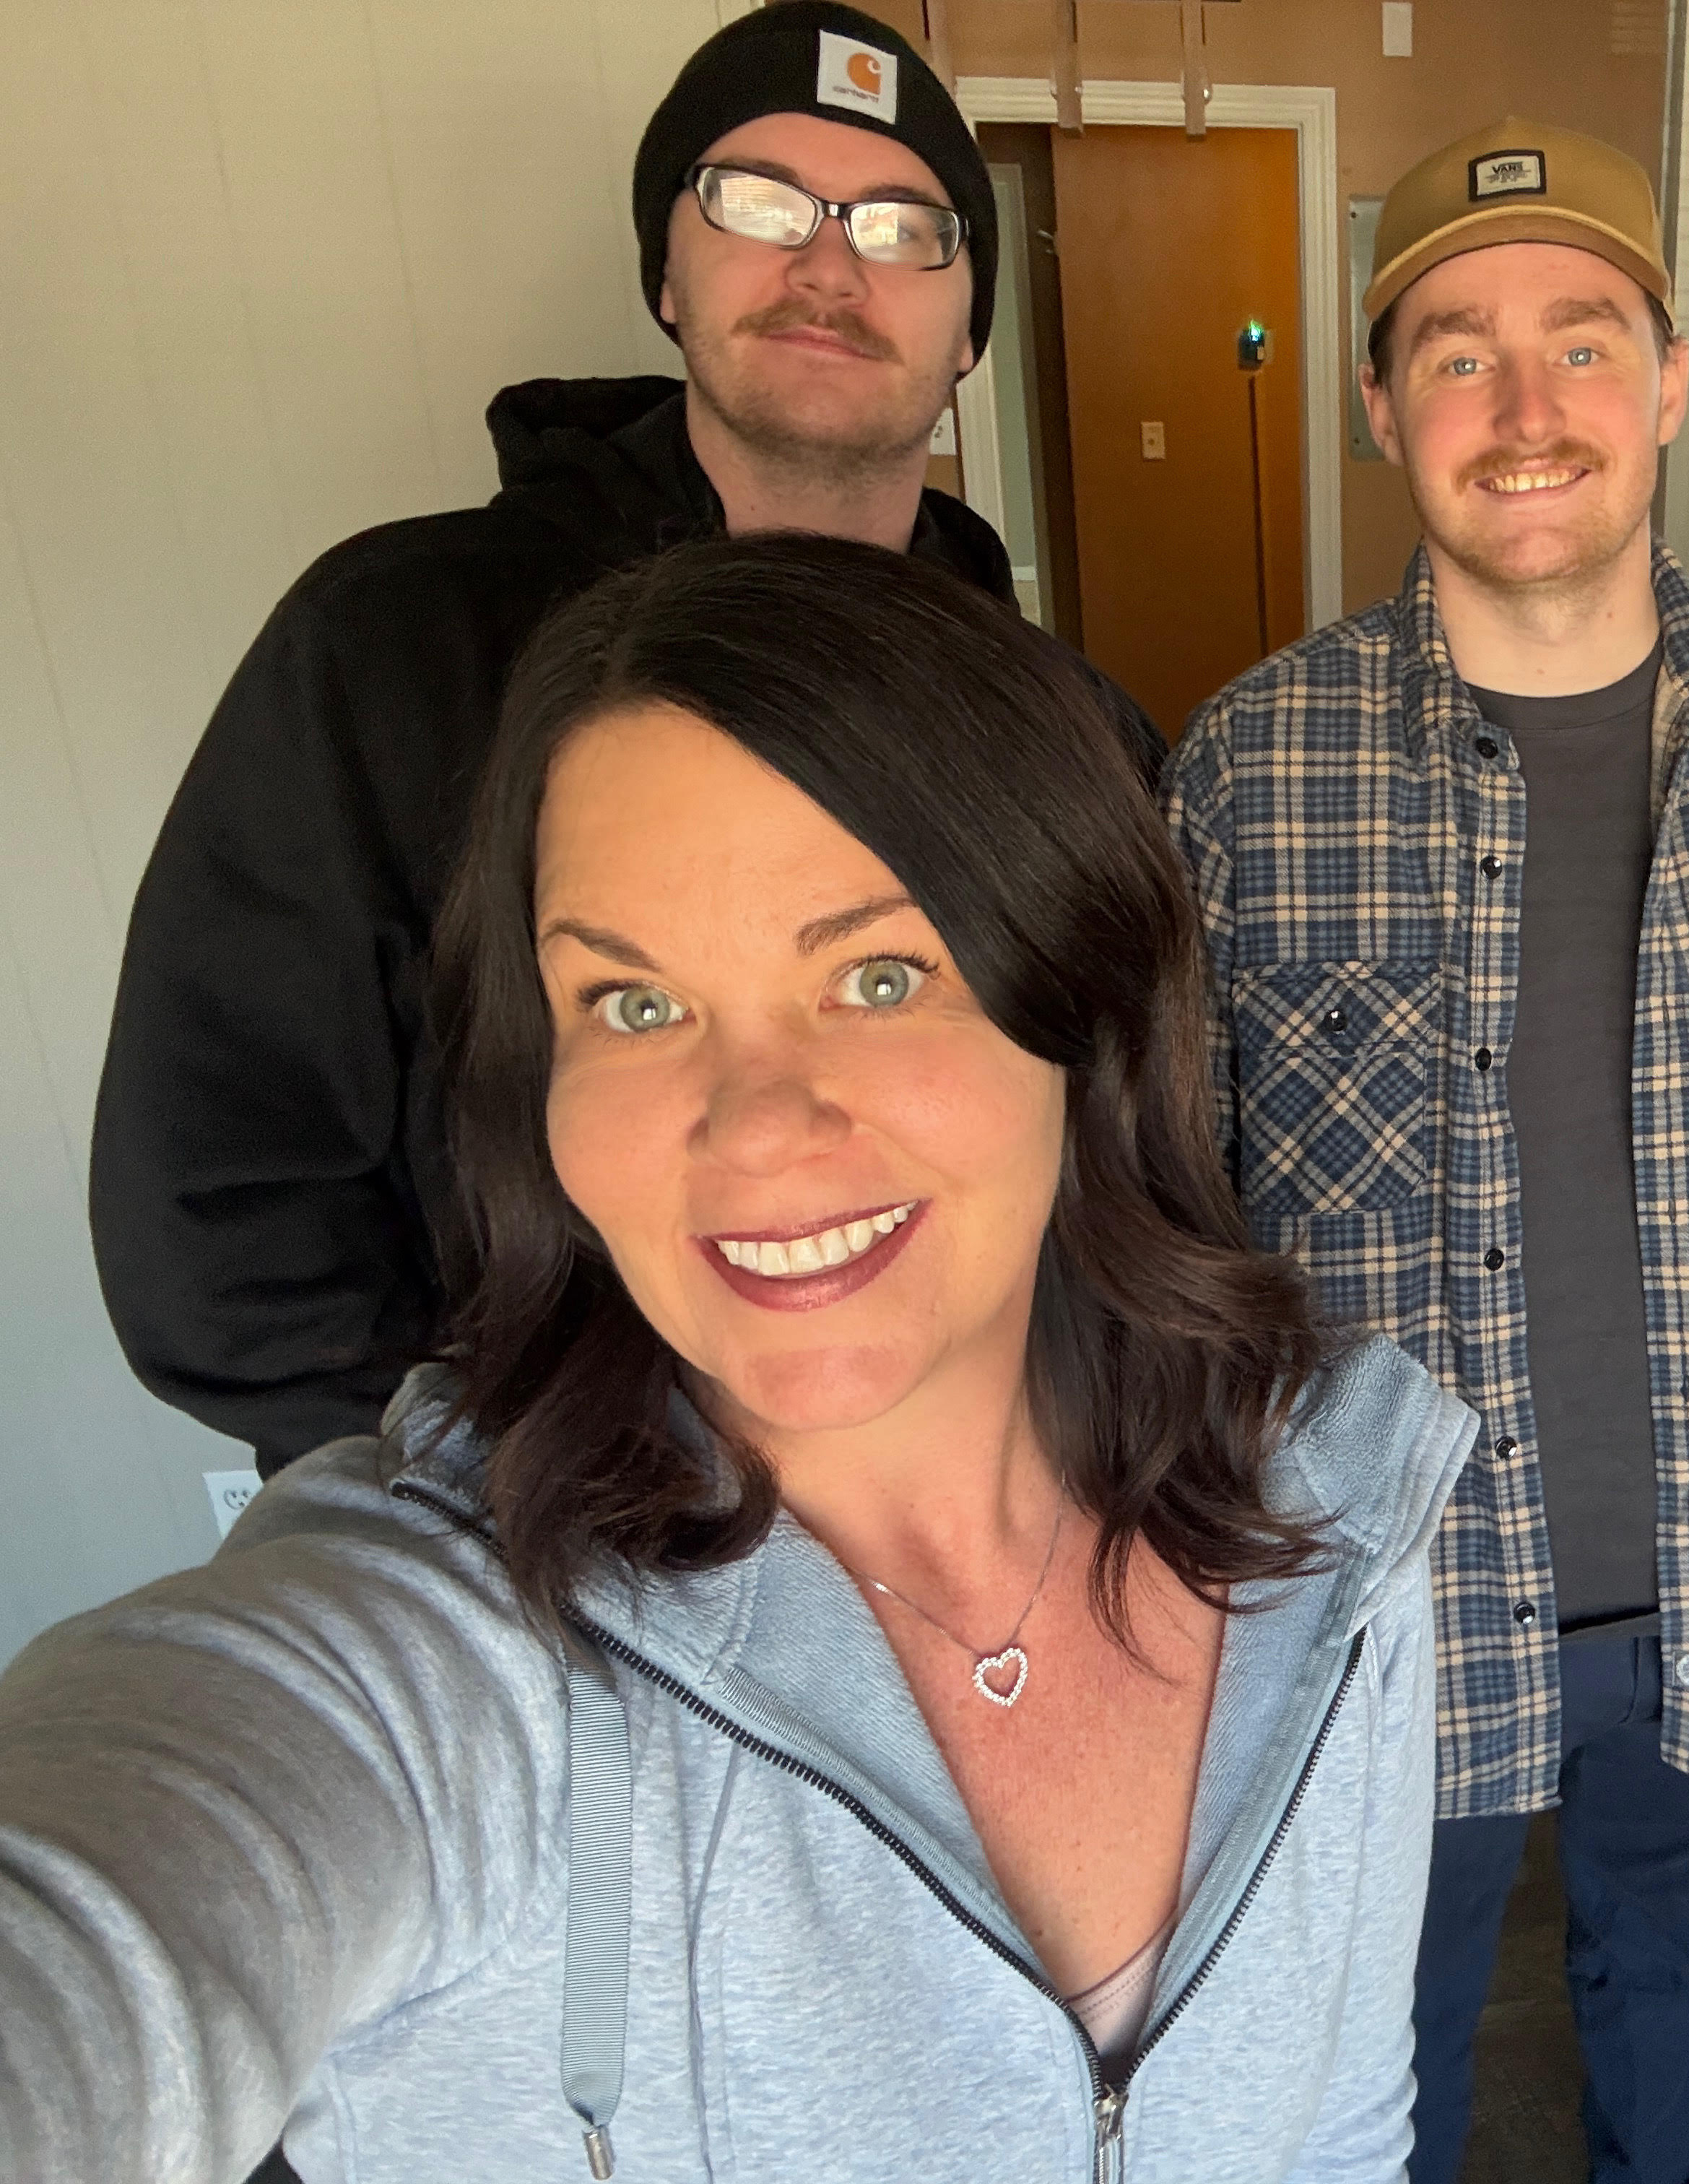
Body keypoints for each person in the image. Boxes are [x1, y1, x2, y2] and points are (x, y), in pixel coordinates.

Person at [0, 534, 1473, 2184]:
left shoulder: (1331, 1505)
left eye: (877, 976)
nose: (757, 1127)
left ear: (1084, 1004)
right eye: (633, 1005)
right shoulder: (446, 1643)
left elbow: (1344, 2132)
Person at [1164, 118, 1689, 2184]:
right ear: (1382, 409)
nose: (1526, 409)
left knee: (1667, 1967)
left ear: (1670, 379)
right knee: (1383, 2032)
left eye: (1583, 342)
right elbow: (1175, 1213)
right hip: (1387, 1604)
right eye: (1457, 353)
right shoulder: (1252, 765)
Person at [90, 1, 1156, 1480]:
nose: (829, 264)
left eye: (905, 228)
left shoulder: (1065, 718)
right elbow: (221, 1202)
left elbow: (1124, 1154)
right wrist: (505, 1506)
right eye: (761, 203)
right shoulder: (394, 642)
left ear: (970, 324)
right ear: (667, 270)